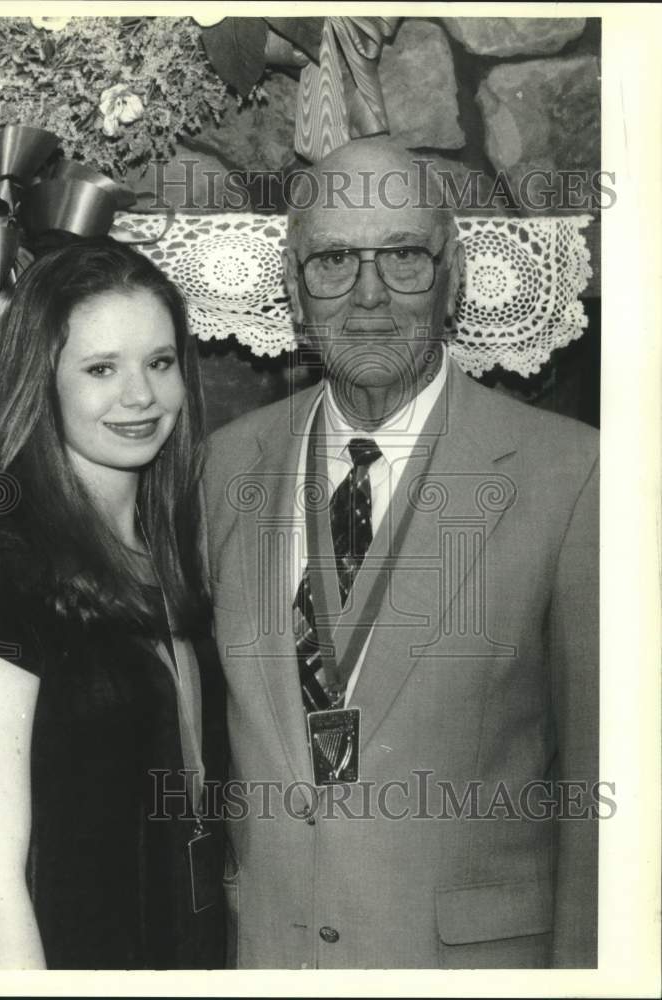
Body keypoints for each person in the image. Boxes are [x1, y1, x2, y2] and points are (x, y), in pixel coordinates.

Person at [203, 138, 599, 969]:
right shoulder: (223, 465)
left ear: (450, 270)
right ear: (290, 280)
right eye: (335, 259)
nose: (369, 295)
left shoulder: (573, 475)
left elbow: (603, 795)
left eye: (403, 256)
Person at [0, 237, 225, 970]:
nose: (140, 396)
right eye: (101, 369)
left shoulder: (174, 548)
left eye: (159, 363)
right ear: (43, 382)